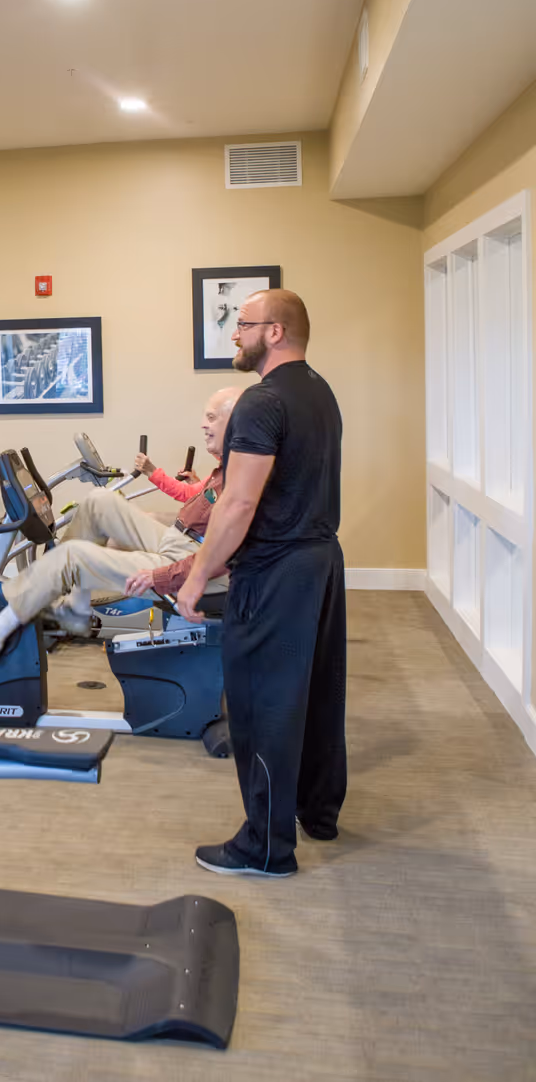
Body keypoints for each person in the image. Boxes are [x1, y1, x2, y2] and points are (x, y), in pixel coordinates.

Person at [176, 288, 344, 879]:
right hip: (322, 561)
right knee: (316, 694)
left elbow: (238, 502)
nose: (234, 335)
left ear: (274, 331)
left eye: (242, 325)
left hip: (275, 570)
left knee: (262, 706)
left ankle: (265, 848)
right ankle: (317, 811)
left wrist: (196, 578)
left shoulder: (261, 401)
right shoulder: (319, 392)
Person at [0, 386, 243, 664]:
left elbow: (219, 558)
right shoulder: (227, 466)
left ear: (236, 422)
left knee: (73, 557)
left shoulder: (244, 479)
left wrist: (158, 576)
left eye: (212, 417)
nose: (204, 424)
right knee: (99, 501)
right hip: (182, 542)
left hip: (195, 564)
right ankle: (76, 609)